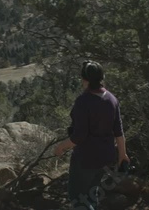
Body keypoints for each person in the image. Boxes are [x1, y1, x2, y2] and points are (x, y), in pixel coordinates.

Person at [54, 60, 129, 210]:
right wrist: (123, 154)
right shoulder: (112, 99)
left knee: (78, 198)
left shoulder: (83, 101)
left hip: (85, 159)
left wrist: (61, 147)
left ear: (85, 79)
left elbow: (79, 136)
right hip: (105, 157)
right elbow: (118, 131)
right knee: (92, 193)